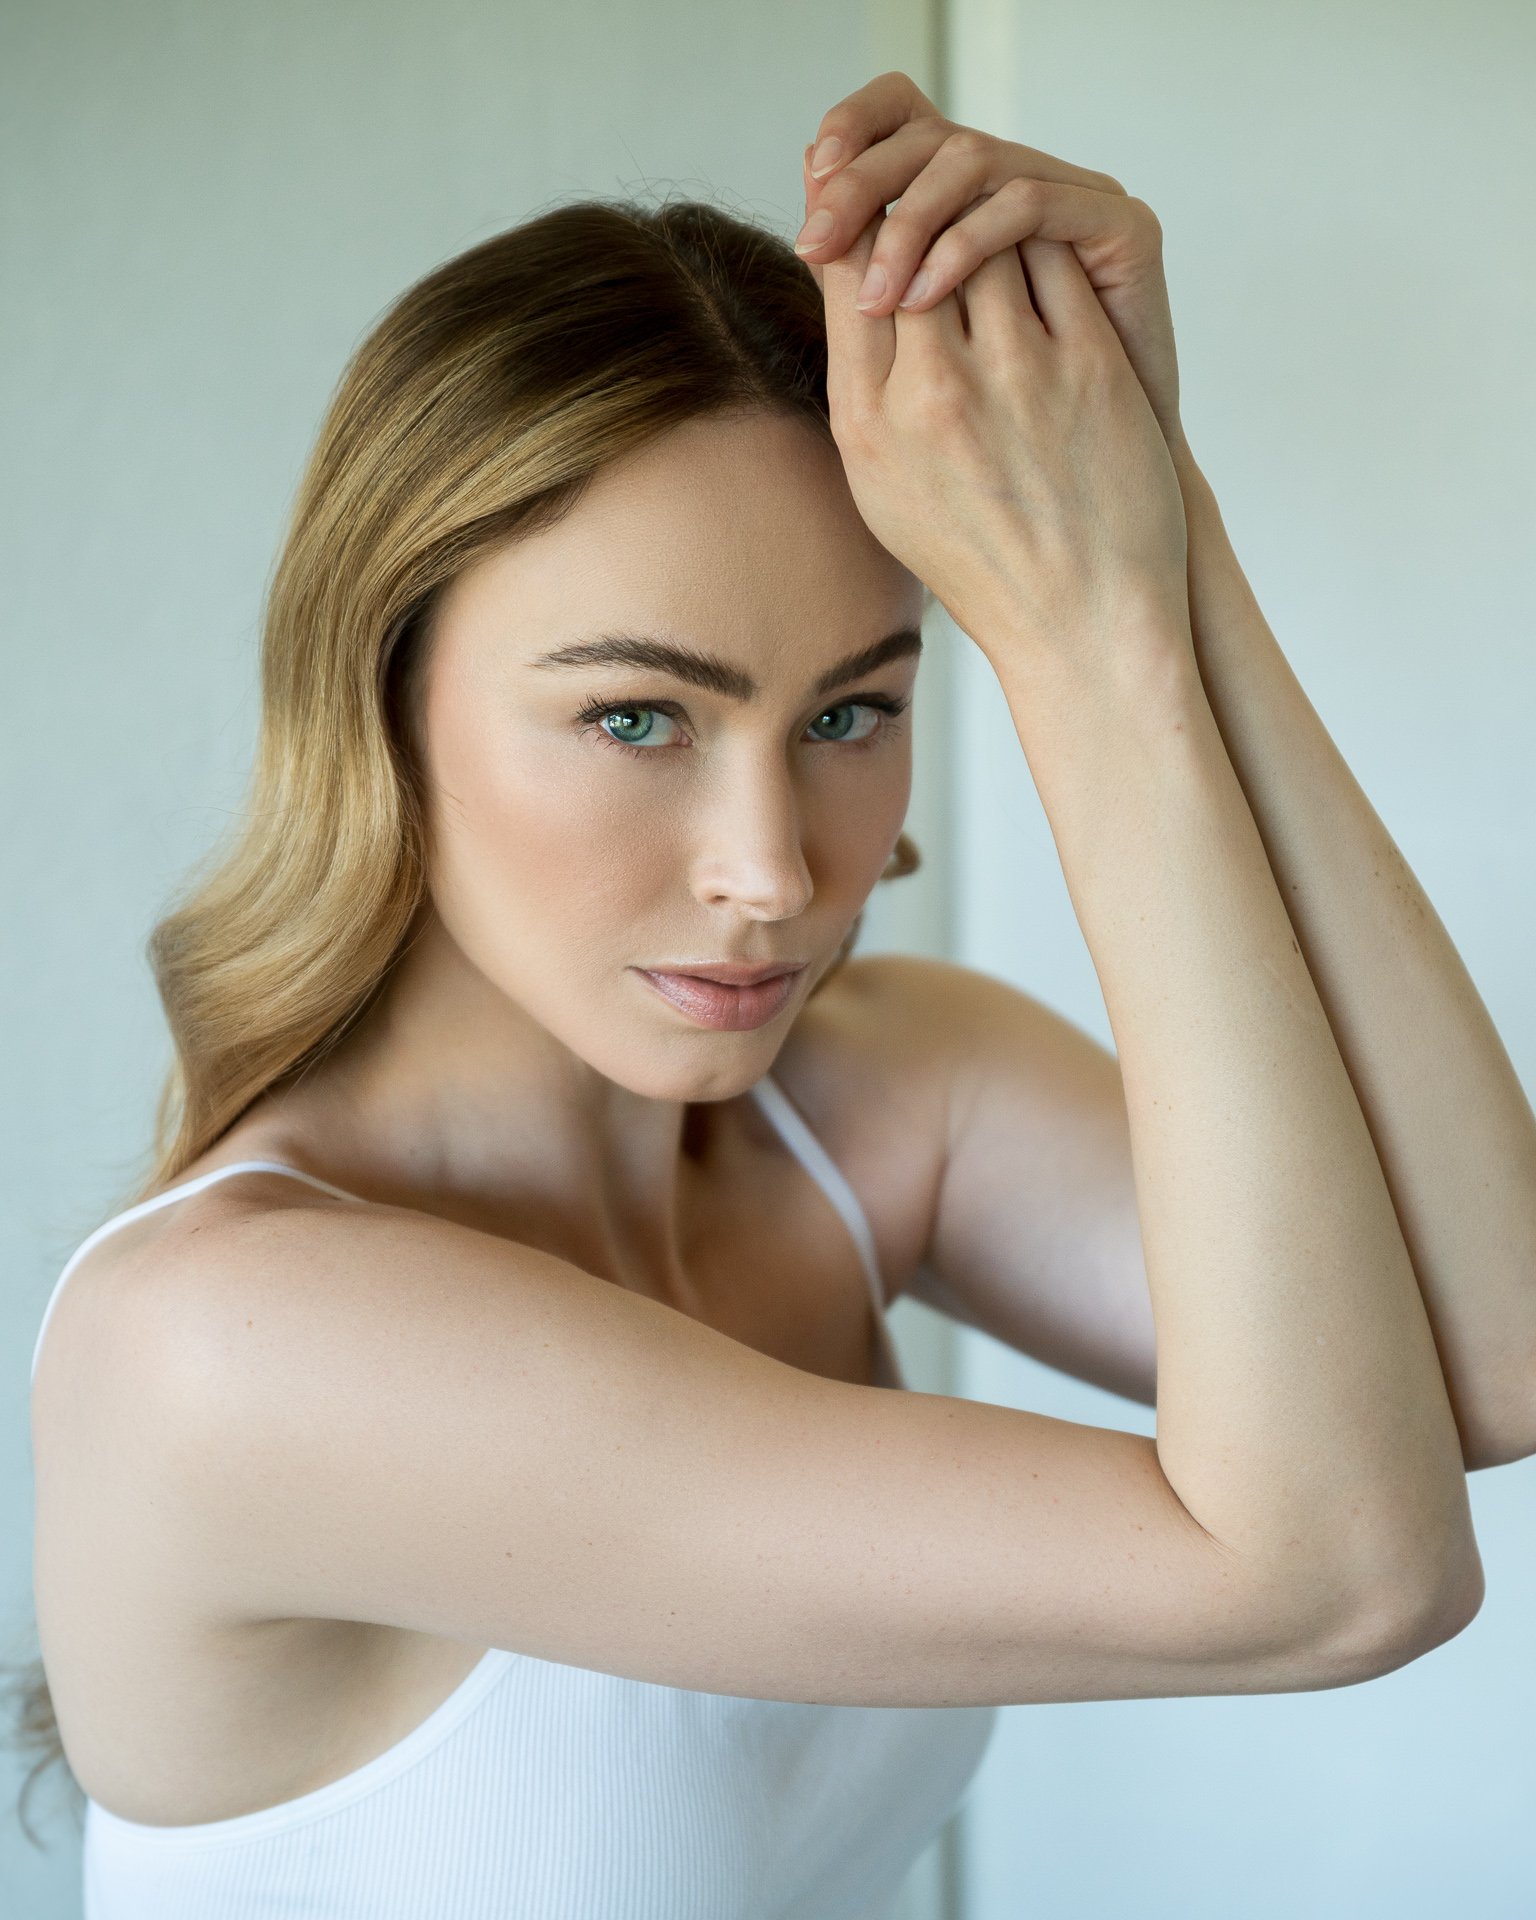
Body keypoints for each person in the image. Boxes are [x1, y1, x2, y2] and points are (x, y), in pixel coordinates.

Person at [16, 69, 1508, 1920]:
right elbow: (1341, 1575)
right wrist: (1085, 653)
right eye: (636, 717)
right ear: (381, 706)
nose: (774, 871)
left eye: (851, 712)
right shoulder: (234, 1341)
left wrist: (1143, 532)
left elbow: (1496, 1345)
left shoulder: (867, 1093)